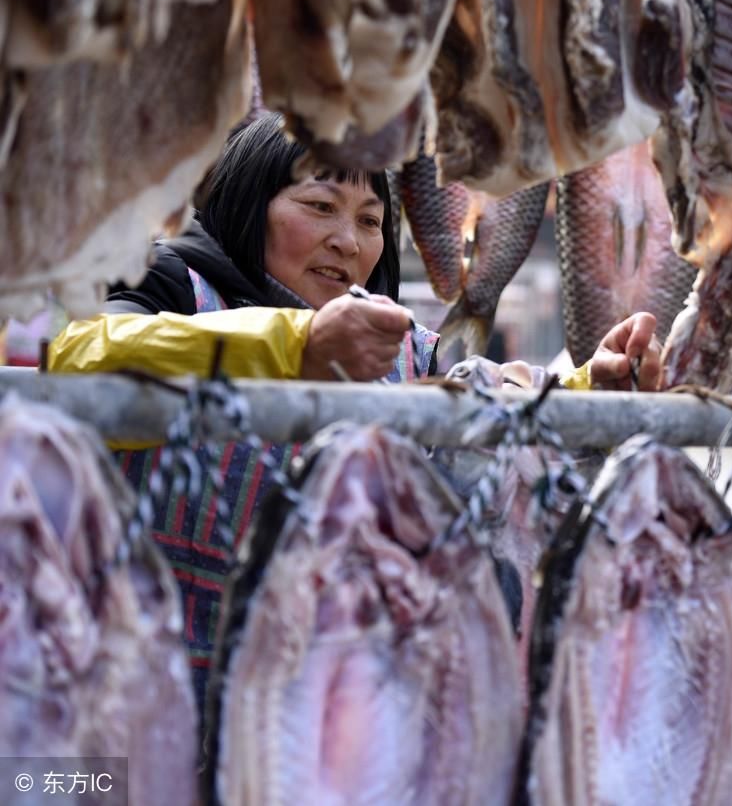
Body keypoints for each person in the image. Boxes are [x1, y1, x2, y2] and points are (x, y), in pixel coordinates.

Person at [46, 112, 662, 713]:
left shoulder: (406, 350)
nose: (348, 241)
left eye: (371, 221)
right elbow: (77, 362)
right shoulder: (174, 287)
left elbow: (495, 407)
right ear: (247, 202)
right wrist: (296, 346)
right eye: (320, 207)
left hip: (313, 726)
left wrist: (590, 391)